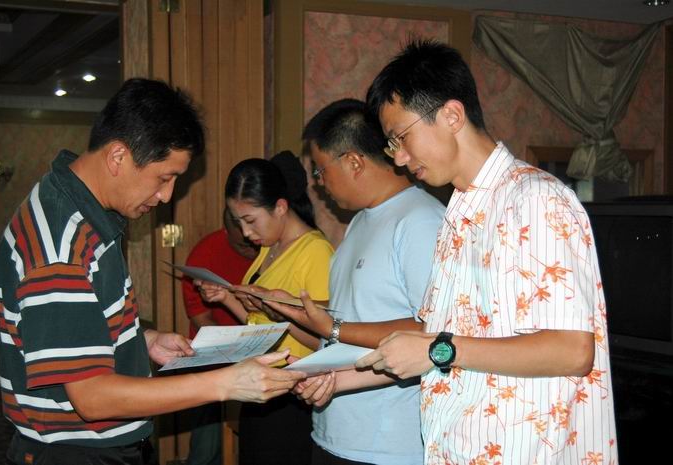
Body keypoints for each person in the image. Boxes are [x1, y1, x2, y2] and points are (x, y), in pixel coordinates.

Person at [0, 78, 305, 465]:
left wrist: (140, 341)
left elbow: (71, 334)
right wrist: (225, 383)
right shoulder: (61, 244)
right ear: (118, 156)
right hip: (77, 453)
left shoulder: (80, 211)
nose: (166, 195)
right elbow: (92, 398)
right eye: (164, 177)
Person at [351, 40, 618, 464]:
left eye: (401, 137)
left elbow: (572, 350)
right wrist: (339, 380)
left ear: (451, 115)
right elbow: (438, 340)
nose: (399, 158)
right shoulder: (457, 214)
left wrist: (439, 350)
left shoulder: (535, 199)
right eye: (391, 145)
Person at [266, 98, 445, 465]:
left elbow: (432, 331)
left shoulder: (421, 221)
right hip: (334, 432)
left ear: (353, 162)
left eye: (320, 170)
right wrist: (295, 310)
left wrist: (333, 327)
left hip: (388, 447)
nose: (318, 184)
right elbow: (353, 319)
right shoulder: (360, 222)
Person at [197, 151, 333, 465]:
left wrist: (279, 312)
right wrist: (226, 297)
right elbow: (261, 325)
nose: (246, 233)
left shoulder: (315, 251)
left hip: (293, 392)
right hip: (261, 383)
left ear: (280, 207)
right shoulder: (269, 248)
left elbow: (325, 339)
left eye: (250, 221)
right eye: (239, 222)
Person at [181, 208, 259, 465]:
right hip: (214, 353)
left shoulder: (270, 250)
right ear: (228, 231)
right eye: (243, 245)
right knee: (207, 445)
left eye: (253, 243)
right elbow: (200, 318)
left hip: (260, 351)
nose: (251, 249)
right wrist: (235, 347)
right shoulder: (204, 254)